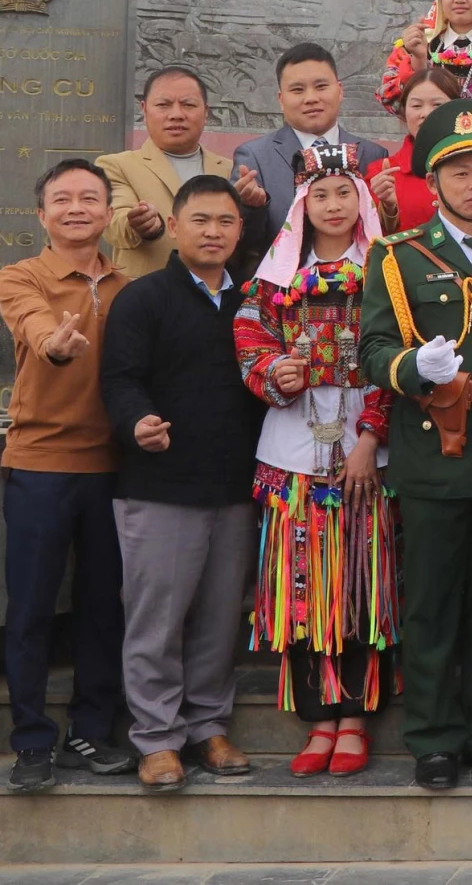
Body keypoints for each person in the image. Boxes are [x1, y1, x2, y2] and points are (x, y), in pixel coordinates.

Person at [358, 99, 472, 791]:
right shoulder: (398, 255)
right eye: (459, 172)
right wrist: (414, 367)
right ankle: (434, 737)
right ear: (432, 182)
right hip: (436, 447)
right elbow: (373, 348)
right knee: (433, 601)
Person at [232, 143, 397, 780]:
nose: (332, 205)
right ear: (303, 202)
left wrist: (370, 436)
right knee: (299, 585)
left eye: (344, 192)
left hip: (365, 451)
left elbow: (397, 354)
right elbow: (249, 336)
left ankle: (354, 719)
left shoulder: (386, 271)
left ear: (362, 200)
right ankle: (318, 720)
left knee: (361, 582)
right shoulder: (278, 275)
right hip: (293, 449)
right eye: (320, 194)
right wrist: (277, 369)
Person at [99, 175, 264, 791]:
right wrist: (137, 421)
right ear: (174, 226)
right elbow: (120, 378)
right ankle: (157, 738)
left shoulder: (253, 303)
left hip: (234, 486)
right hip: (159, 485)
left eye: (225, 221)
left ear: (239, 230)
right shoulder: (143, 299)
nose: (213, 232)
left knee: (220, 618)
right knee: (157, 620)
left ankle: (208, 727)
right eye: (200, 220)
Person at [0, 160, 133, 792]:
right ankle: (31, 740)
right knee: (30, 607)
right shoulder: (20, 276)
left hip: (115, 468)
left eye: (88, 198)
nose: (76, 208)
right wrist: (55, 345)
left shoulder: (132, 288)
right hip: (40, 465)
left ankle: (91, 730)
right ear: (42, 214)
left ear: (108, 213)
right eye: (62, 199)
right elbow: (34, 325)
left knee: (104, 607)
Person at [99, 66, 265, 279]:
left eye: (188, 105)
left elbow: (246, 242)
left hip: (217, 292)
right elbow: (115, 224)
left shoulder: (231, 169)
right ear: (144, 109)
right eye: (163, 105)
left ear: (206, 112)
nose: (176, 115)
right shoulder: (117, 166)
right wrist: (140, 224)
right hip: (150, 294)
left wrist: (253, 208)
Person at [234, 42, 390, 244]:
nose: (311, 98)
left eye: (321, 87)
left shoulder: (372, 155)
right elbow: (240, 244)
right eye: (298, 90)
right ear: (281, 100)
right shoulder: (255, 158)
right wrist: (252, 208)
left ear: (340, 91)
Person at [365, 67, 459, 235]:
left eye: (437, 105)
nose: (426, 113)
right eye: (416, 105)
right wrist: (388, 207)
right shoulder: (382, 173)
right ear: (404, 112)